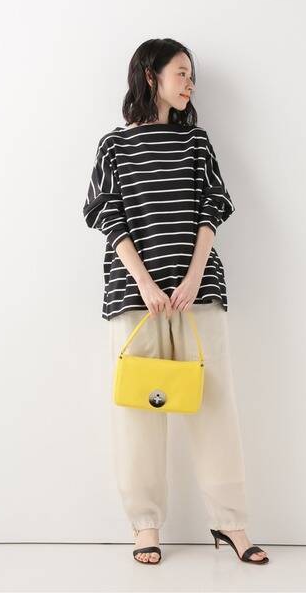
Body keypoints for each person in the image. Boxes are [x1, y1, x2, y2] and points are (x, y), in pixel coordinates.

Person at [83, 38, 269, 565]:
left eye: (191, 75)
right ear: (151, 76)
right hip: (134, 295)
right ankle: (145, 526)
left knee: (214, 406)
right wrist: (145, 282)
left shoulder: (196, 143)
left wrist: (192, 276)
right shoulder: (114, 147)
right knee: (138, 414)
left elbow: (214, 205)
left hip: (198, 292)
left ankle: (231, 524)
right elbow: (105, 213)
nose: (190, 83)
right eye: (181, 72)